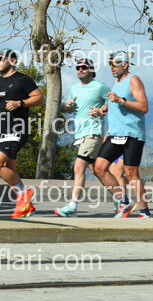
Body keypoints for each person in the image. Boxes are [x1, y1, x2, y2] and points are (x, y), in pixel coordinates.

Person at [0, 49, 44, 218]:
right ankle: (25, 206)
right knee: (10, 170)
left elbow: (40, 98)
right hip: (3, 130)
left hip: (17, 129)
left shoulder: (23, 80)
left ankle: (25, 194)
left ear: (13, 60)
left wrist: (20, 103)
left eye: (1, 58)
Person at [92, 51, 151, 218]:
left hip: (132, 134)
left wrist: (122, 100)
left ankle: (145, 212)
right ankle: (124, 201)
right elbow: (115, 105)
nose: (112, 67)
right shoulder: (116, 82)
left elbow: (144, 107)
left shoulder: (134, 80)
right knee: (99, 168)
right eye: (110, 64)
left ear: (125, 65)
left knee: (131, 173)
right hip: (115, 134)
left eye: (115, 64)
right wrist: (103, 109)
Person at [54, 59, 110, 217]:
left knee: (78, 167)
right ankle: (122, 199)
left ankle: (72, 207)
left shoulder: (100, 86)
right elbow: (71, 109)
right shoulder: (74, 88)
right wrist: (68, 106)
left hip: (93, 132)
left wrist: (102, 109)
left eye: (84, 67)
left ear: (91, 70)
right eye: (78, 67)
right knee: (97, 170)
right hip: (80, 134)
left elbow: (113, 101)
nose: (80, 70)